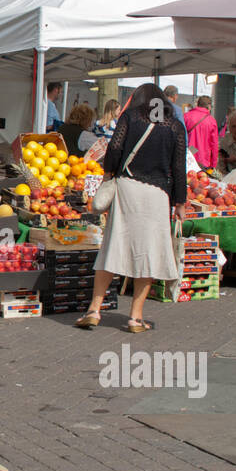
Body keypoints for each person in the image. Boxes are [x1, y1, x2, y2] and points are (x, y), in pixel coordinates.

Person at [76, 84, 188, 333]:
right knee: (147, 254)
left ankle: (94, 309)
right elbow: (179, 166)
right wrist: (180, 201)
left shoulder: (131, 117)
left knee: (112, 247)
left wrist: (108, 173)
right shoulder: (174, 126)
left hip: (128, 188)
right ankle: (136, 317)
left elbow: (114, 147)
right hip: (158, 195)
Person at [184, 96, 220, 169]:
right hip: (204, 161)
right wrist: (213, 165)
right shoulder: (211, 121)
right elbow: (214, 145)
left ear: (198, 104)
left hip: (188, 158)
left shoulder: (186, 116)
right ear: (209, 106)